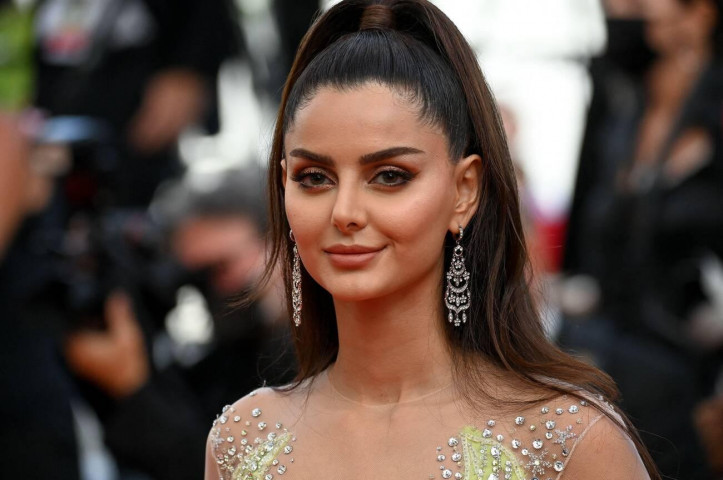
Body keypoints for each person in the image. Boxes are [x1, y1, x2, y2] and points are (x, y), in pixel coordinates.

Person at [205, 1, 658, 479]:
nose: (345, 213)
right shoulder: (243, 440)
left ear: (464, 191)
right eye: (314, 177)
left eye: (390, 176)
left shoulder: (568, 440)